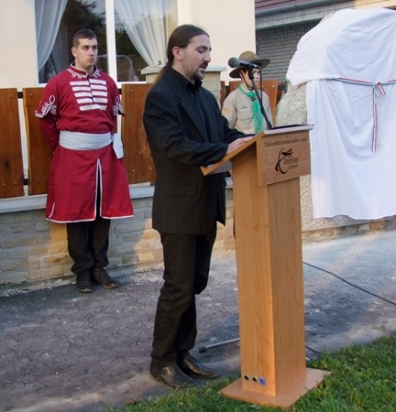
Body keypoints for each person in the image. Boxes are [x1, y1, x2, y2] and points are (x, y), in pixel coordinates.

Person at [142, 25, 251, 389]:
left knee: (194, 285)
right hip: (178, 208)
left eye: (208, 50)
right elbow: (173, 146)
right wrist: (224, 150)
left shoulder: (205, 97)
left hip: (206, 203)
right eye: (201, 50)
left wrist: (252, 141)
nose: (208, 57)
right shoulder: (161, 97)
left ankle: (183, 352)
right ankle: (161, 360)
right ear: (178, 52)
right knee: (178, 287)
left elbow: (223, 134)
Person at [35, 29, 133, 293]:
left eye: (94, 48)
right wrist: (61, 147)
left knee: (103, 211)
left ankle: (100, 267)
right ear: (74, 51)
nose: (91, 53)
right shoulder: (58, 82)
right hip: (72, 155)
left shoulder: (109, 82)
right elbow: (46, 121)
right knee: (76, 214)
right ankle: (82, 271)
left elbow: (112, 118)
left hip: (105, 156)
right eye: (85, 47)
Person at [222, 51, 273, 134]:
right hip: (245, 141)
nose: (256, 76)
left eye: (258, 72)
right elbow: (227, 130)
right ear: (241, 74)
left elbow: (270, 125)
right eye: (253, 72)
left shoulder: (264, 97)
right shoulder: (233, 99)